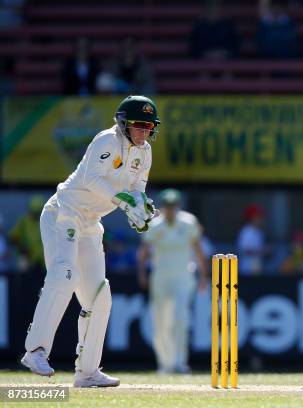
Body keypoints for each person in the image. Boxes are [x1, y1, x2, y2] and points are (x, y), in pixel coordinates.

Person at [20, 95, 161, 387]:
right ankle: (35, 350)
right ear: (123, 123)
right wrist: (124, 203)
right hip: (64, 213)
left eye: (148, 127)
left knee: (100, 295)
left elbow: (137, 188)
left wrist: (142, 205)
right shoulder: (106, 141)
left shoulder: (144, 152)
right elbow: (90, 179)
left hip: (91, 224)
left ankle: (87, 372)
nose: (143, 132)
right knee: (65, 274)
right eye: (138, 126)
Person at [138, 189, 208, 374]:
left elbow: (199, 250)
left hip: (183, 276)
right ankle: (165, 363)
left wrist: (203, 276)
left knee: (180, 318)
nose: (170, 210)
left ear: (178, 207)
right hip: (160, 276)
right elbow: (144, 252)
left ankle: (180, 362)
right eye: (167, 207)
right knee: (161, 320)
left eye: (173, 206)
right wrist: (142, 274)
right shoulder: (154, 225)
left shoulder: (189, 222)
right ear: (162, 207)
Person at [10, 195, 45, 272]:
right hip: (28, 259)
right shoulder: (24, 221)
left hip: (43, 261)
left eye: (38, 212)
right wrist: (22, 248)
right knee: (23, 268)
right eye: (33, 212)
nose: (35, 215)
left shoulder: (47, 221)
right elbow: (12, 238)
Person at [237, 204, 267, 275]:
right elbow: (245, 250)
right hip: (247, 270)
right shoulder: (247, 231)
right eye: (258, 216)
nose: (261, 219)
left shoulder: (259, 231)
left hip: (257, 268)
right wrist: (263, 250)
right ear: (252, 218)